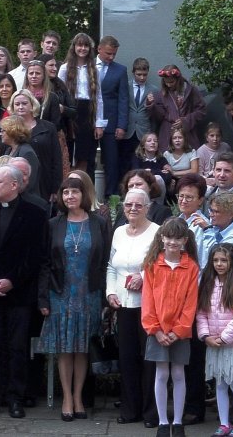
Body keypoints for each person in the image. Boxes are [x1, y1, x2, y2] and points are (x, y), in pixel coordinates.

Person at [0, 164, 49, 419]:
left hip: (19, 292)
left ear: (14, 185)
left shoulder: (35, 212)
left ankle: (16, 397)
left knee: (17, 346)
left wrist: (12, 281)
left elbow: (36, 255)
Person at [40, 174, 110, 422]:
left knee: (82, 350)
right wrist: (43, 299)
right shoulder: (53, 224)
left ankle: (79, 397)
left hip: (89, 294)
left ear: (84, 195)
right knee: (65, 349)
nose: (69, 196)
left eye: (74, 192)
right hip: (60, 294)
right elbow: (45, 265)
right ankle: (67, 399)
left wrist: (104, 297)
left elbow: (105, 263)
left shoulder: (99, 222)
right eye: (66, 192)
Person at [141, 218, 200, 437]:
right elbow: (148, 301)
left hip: (179, 333)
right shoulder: (152, 265)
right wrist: (155, 329)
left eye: (177, 238)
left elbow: (190, 302)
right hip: (157, 331)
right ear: (162, 238)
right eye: (169, 237)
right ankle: (163, 422)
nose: (173, 242)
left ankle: (177, 421)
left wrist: (179, 330)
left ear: (185, 240)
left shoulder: (191, 267)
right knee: (161, 373)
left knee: (178, 373)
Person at [108, 187, 162, 427]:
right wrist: (110, 292)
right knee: (127, 358)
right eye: (128, 205)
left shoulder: (156, 232)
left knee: (149, 359)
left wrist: (143, 275)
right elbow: (111, 265)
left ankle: (152, 413)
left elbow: (161, 264)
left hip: (148, 305)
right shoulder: (118, 232)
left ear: (147, 208)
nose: (132, 209)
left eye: (138, 205)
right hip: (123, 304)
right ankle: (130, 410)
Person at [197, 242, 233, 437]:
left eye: (224, 260)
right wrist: (205, 336)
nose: (219, 264)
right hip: (214, 344)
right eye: (215, 260)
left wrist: (225, 338)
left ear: (232, 262)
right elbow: (201, 312)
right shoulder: (208, 283)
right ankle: (224, 424)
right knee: (220, 384)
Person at [8, 91, 65, 203]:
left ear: (32, 105)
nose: (20, 107)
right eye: (17, 104)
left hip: (44, 182)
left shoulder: (48, 127)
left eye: (24, 103)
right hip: (17, 183)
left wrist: (55, 188)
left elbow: (57, 159)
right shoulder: (8, 129)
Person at [95, 35, 129, 197]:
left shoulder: (120, 70)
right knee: (87, 160)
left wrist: (121, 125)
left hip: (111, 122)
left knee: (112, 162)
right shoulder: (87, 67)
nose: (111, 57)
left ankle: (111, 199)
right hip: (89, 120)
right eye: (108, 53)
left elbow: (123, 98)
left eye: (114, 54)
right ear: (99, 49)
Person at [147, 64, 208, 154]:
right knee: (168, 162)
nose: (168, 85)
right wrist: (151, 104)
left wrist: (186, 120)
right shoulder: (162, 94)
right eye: (165, 82)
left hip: (187, 134)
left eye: (171, 82)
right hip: (168, 134)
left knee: (190, 159)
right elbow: (159, 116)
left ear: (178, 79)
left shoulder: (190, 91)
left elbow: (201, 110)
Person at [62, 34, 99, 173]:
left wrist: (99, 123)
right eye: (79, 45)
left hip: (88, 112)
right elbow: (60, 93)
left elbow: (99, 97)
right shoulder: (65, 68)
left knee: (85, 153)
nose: (82, 48)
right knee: (71, 150)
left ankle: (84, 186)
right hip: (71, 111)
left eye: (86, 45)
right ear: (74, 47)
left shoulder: (95, 69)